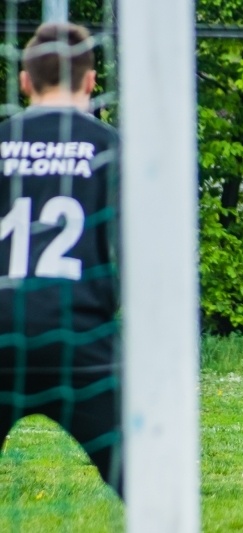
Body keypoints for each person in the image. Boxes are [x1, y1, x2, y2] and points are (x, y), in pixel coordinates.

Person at [0, 23, 122, 496]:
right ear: (91, 81)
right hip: (81, 340)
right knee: (150, 484)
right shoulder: (110, 147)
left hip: (2, 329)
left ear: (25, 84)